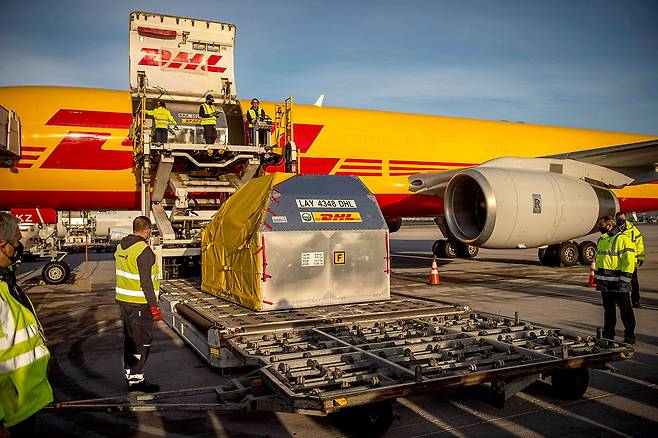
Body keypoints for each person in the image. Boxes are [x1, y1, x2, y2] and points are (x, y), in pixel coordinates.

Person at [0, 213, 53, 437]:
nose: (19, 247)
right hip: (7, 416)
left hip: (19, 406)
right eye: (16, 241)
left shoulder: (5, 284)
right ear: (2, 245)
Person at [115, 216, 162, 393]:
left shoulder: (121, 246)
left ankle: (130, 373)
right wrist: (154, 306)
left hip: (124, 301)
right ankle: (136, 379)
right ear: (147, 230)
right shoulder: (144, 250)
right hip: (140, 304)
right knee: (142, 342)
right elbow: (146, 282)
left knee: (130, 339)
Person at [594, 216, 636, 344]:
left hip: (618, 282)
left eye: (601, 225)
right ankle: (608, 335)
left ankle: (629, 336)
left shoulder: (622, 239)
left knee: (625, 310)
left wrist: (624, 281)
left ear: (609, 226)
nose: (599, 228)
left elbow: (629, 262)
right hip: (605, 283)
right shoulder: (601, 240)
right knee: (608, 311)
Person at [615, 211, 645, 308]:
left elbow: (639, 243)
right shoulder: (613, 230)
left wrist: (641, 256)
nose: (621, 220)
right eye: (619, 219)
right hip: (617, 262)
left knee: (634, 282)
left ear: (626, 218)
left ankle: (635, 300)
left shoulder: (633, 230)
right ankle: (618, 301)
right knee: (617, 282)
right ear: (616, 219)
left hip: (631, 261)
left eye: (622, 218)